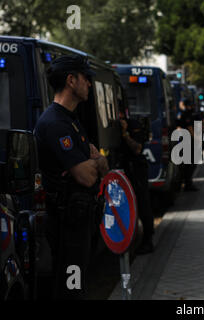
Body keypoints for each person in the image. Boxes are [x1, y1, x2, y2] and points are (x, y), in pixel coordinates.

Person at [34, 55, 109, 299]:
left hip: (79, 221)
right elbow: (87, 177)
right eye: (85, 78)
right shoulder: (55, 123)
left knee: (76, 285)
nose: (89, 83)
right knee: (70, 289)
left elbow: (101, 165)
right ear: (71, 80)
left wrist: (95, 161)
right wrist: (94, 161)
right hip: (68, 224)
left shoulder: (70, 120)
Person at [119, 110, 154, 254]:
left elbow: (137, 148)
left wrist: (125, 133)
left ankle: (147, 241)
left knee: (143, 203)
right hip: (127, 169)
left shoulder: (133, 125)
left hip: (137, 169)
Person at [176, 99, 199, 191]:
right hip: (188, 141)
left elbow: (178, 127)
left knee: (185, 163)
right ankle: (188, 183)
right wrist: (196, 139)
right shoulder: (186, 114)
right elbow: (189, 127)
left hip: (182, 140)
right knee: (190, 163)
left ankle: (184, 183)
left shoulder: (180, 114)